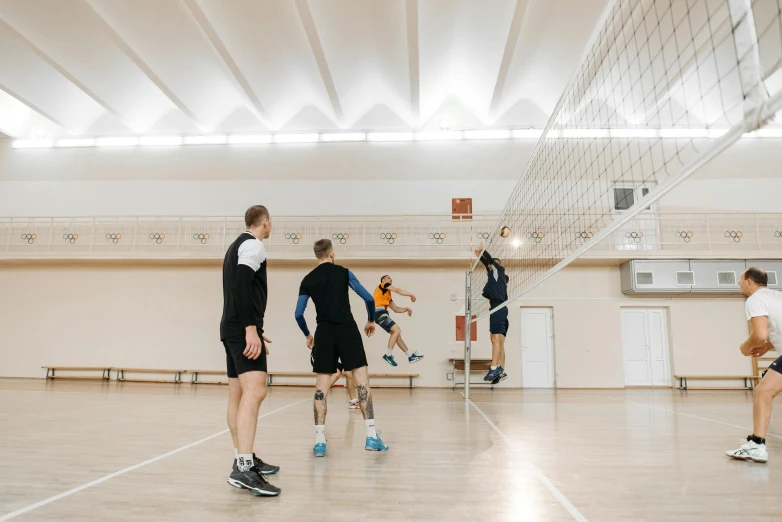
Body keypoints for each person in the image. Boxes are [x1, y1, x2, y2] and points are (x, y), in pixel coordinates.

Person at [295, 239, 389, 457]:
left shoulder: (308, 279)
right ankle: (372, 436)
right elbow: (368, 298)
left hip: (324, 333)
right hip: (347, 330)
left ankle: (319, 442)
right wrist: (370, 320)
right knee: (362, 383)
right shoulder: (344, 272)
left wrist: (308, 335)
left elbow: (298, 314)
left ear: (317, 255)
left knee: (321, 389)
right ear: (332, 253)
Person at [220, 205, 280, 496]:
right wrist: (251, 328)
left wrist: (254, 327)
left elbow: (238, 289)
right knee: (256, 391)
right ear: (265, 222)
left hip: (232, 328)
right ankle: (244, 468)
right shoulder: (254, 245)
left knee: (239, 394)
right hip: (240, 330)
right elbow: (243, 286)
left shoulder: (235, 246)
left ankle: (242, 458)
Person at [726, 267, 782, 464]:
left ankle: (757, 445)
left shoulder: (754, 300)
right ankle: (757, 443)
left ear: (750, 281)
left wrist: (745, 347)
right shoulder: (777, 296)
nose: (739, 283)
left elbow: (759, 334)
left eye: (741, 279)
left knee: (763, 392)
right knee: (764, 391)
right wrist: (768, 346)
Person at [474, 244, 509, 383]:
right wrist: (480, 257)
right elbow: (487, 264)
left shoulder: (499, 269)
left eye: (490, 265)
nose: (488, 267)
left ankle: (495, 368)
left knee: (495, 340)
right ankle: (500, 370)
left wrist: (483, 252)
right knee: (498, 341)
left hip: (498, 308)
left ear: (493, 265)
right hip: (500, 309)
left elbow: (490, 262)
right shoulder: (495, 275)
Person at [373, 275, 424, 366]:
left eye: (391, 278)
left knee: (396, 335)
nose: (391, 279)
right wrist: (411, 295)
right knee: (397, 330)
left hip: (381, 313)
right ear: (383, 280)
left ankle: (410, 356)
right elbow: (398, 290)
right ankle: (388, 355)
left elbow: (396, 309)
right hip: (378, 313)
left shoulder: (387, 295)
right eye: (388, 278)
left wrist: (406, 309)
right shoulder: (383, 284)